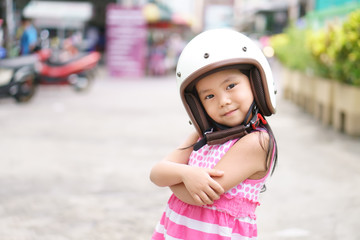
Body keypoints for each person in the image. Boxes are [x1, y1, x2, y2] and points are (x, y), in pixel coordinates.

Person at [150, 28, 278, 240]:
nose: (223, 100)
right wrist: (185, 174)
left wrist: (174, 176)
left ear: (256, 84)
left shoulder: (257, 142)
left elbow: (199, 196)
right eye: (209, 95)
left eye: (231, 85)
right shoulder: (202, 138)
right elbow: (156, 173)